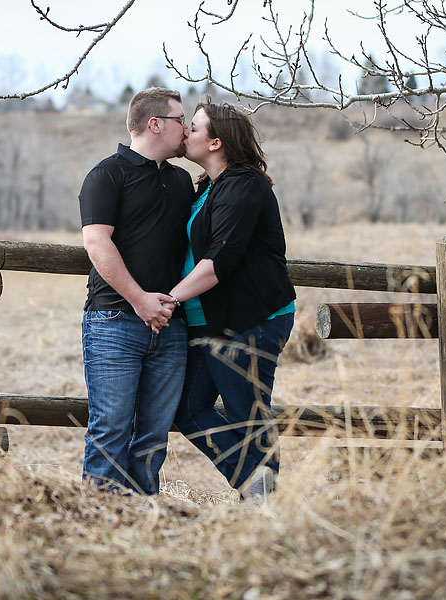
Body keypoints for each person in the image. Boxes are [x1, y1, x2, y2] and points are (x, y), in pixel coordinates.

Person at [165, 100, 296, 504]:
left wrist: (169, 299)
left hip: (251, 319)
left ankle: (265, 508)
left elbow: (218, 263)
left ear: (216, 141)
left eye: (195, 127)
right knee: (186, 408)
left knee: (248, 414)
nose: (186, 131)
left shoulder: (244, 185)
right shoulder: (208, 186)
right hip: (209, 321)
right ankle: (253, 486)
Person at [78, 87, 193, 495]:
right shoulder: (107, 175)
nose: (189, 127)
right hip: (114, 322)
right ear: (155, 124)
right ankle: (98, 519)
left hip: (169, 325)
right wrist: (139, 300)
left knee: (153, 435)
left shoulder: (182, 182)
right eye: (182, 119)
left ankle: (143, 520)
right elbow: (97, 243)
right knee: (110, 427)